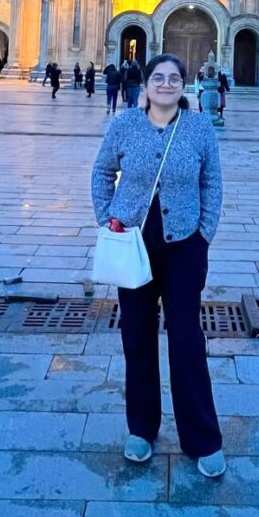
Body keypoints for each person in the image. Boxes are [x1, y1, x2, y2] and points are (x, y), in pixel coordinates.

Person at [91, 53, 225, 478]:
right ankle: (141, 429)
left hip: (185, 242)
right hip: (133, 241)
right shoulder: (124, 125)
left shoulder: (199, 127)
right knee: (137, 336)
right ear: (145, 83)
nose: (165, 84)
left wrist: (204, 233)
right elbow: (101, 172)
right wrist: (105, 220)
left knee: (187, 339)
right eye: (158, 77)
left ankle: (202, 439)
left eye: (173, 78)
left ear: (184, 85)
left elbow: (213, 182)